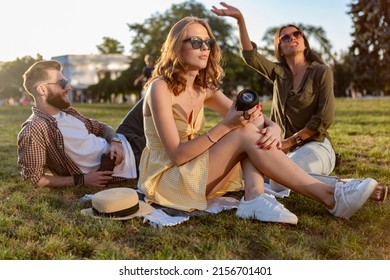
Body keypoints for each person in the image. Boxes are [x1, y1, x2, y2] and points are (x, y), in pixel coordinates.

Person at [136, 15, 379, 225]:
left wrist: (273, 126)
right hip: (168, 180)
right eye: (196, 42)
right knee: (242, 131)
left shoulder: (204, 88)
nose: (204, 48)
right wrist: (226, 126)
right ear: (177, 46)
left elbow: (253, 118)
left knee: (249, 126)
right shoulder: (160, 88)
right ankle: (330, 195)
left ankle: (256, 197)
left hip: (195, 175)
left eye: (208, 42)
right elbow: (177, 155)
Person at [211, 2, 387, 202]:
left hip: (315, 146)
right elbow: (251, 56)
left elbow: (323, 119)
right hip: (282, 151)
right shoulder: (279, 73)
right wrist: (240, 20)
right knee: (251, 173)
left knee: (278, 181)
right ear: (280, 47)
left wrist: (288, 143)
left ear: (304, 42)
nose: (292, 38)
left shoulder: (322, 71)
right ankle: (353, 186)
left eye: (297, 34)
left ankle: (353, 187)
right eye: (285, 37)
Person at [18, 60, 145, 189]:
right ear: (42, 89)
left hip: (122, 138)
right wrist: (81, 180)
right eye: (62, 83)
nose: (68, 88)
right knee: (159, 90)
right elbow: (33, 178)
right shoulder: (34, 128)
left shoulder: (67, 112)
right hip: (132, 157)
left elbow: (102, 127)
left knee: (151, 93)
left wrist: (115, 140)